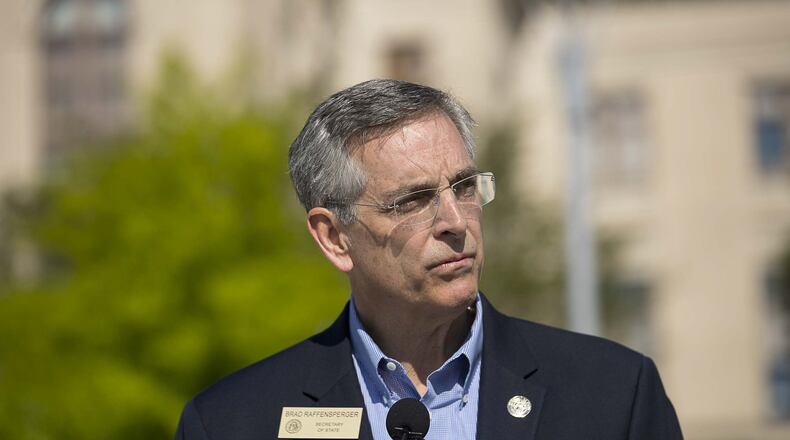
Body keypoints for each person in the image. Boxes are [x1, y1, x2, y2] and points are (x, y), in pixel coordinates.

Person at [174, 79, 683, 440]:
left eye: (463, 187)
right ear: (334, 238)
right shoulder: (233, 423)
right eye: (412, 201)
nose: (455, 221)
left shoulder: (615, 394)